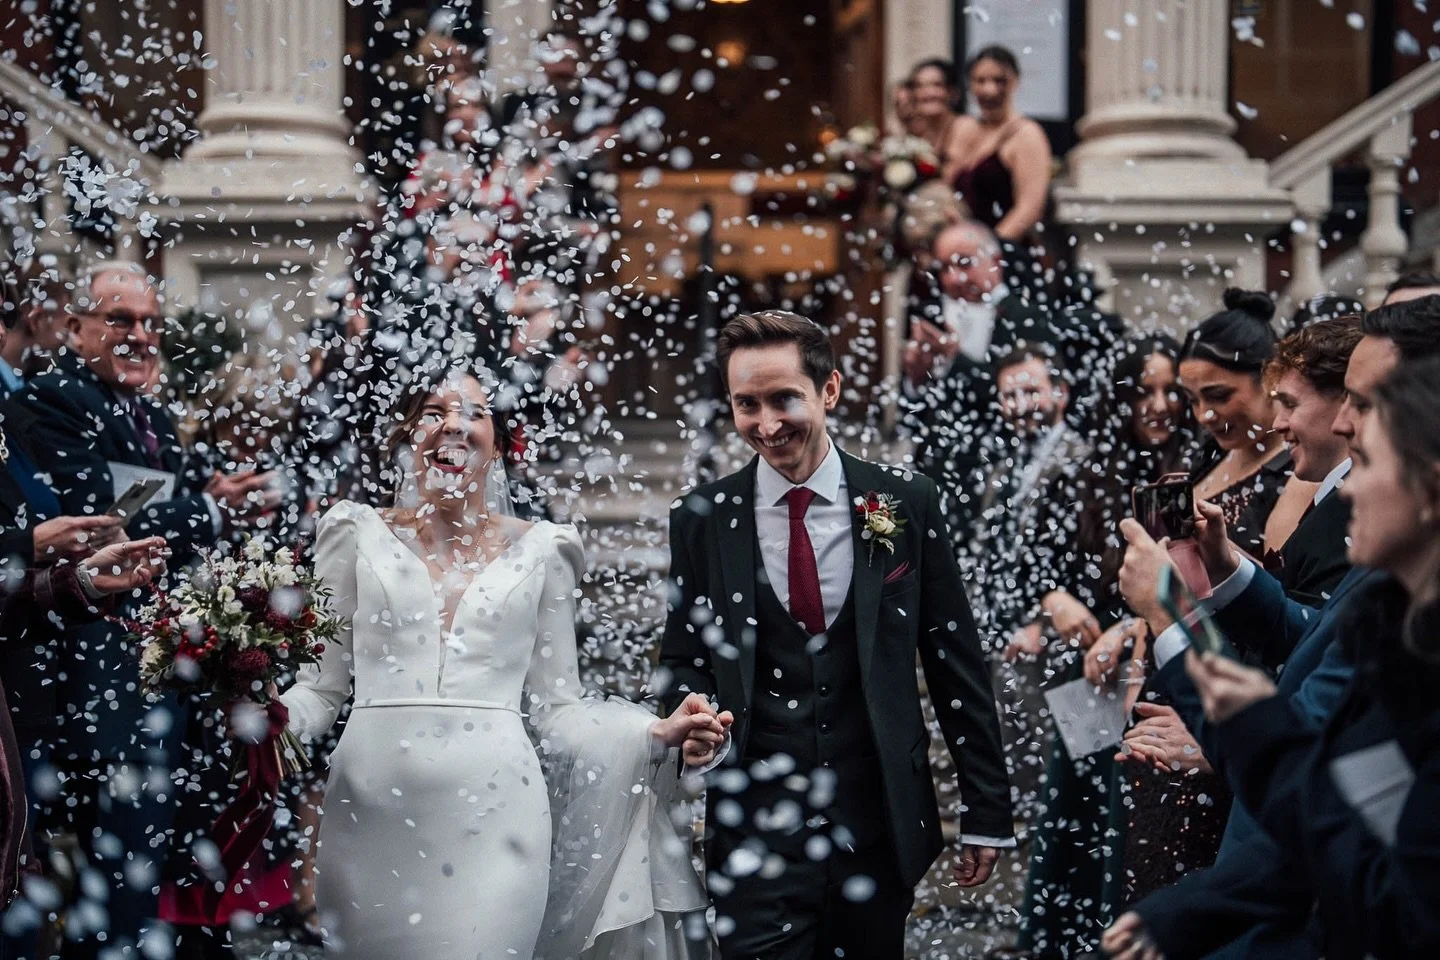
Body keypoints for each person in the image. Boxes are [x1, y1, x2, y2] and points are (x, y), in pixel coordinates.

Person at [276, 361, 720, 958]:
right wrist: (261, 715)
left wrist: (654, 732)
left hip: (497, 818)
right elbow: (320, 691)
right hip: (370, 812)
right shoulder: (354, 533)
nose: (452, 426)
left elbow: (560, 710)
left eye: (474, 413)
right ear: (408, 435)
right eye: (432, 413)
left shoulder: (544, 548)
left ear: (500, 443)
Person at [660, 311, 1013, 960]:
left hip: (875, 819)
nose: (766, 425)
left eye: (783, 399)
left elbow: (954, 664)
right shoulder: (701, 520)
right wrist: (693, 711)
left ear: (830, 390)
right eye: (746, 404)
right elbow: (683, 657)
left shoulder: (905, 502)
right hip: (754, 828)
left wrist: (986, 812)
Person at [1106, 285, 1440, 960]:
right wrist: (1192, 912)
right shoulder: (1394, 594)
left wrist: (1174, 621)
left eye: (1367, 421)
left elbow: (1338, 816)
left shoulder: (1417, 631)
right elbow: (1349, 809)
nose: (1348, 457)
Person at [10, 262, 279, 957]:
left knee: (158, 856)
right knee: (114, 864)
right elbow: (105, 520)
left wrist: (213, 494)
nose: (141, 335)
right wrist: (212, 510)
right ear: (76, 329)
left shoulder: (151, 412)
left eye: (153, 323)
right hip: (93, 677)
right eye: (121, 320)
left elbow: (163, 505)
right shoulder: (52, 400)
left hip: (161, 673)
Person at [1015, 336, 1191, 958]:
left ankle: (1113, 937)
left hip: (1153, 666)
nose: (1159, 404)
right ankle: (1059, 937)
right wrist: (1054, 599)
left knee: (1123, 813)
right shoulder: (1090, 472)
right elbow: (1038, 562)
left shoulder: (1190, 470)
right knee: (1073, 806)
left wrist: (1128, 628)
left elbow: (1179, 578)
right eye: (1144, 390)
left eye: (1170, 390)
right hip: (1090, 673)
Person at [900, 219, 1061, 529]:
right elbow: (909, 415)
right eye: (943, 268)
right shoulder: (933, 314)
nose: (953, 278)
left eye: (964, 264)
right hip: (935, 480)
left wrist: (953, 360)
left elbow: (1022, 398)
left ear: (995, 262)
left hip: (995, 479)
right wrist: (915, 379)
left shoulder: (1026, 317)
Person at [943, 46, 1053, 250]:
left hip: (1004, 253)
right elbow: (948, 185)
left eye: (999, 81)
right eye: (980, 81)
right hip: (961, 253)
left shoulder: (1027, 133)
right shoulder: (966, 128)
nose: (989, 90)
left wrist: (987, 251)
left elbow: (1030, 208)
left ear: (1015, 81)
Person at [904, 58, 962, 167]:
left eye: (937, 85)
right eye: (919, 86)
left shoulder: (963, 126)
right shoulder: (920, 133)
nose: (928, 93)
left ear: (951, 92)